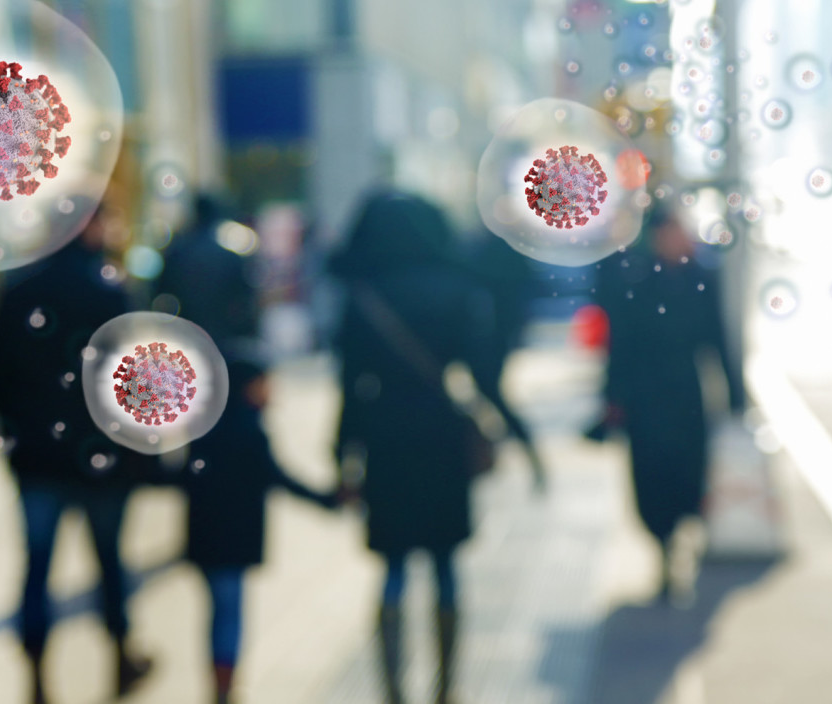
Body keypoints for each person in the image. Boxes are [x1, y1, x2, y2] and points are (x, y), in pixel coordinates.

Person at [156, 195, 337, 704]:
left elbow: (158, 308)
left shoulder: (178, 252)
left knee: (204, 458)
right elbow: (249, 312)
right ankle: (226, 685)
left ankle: (217, 682)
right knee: (230, 599)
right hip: (224, 370)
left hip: (194, 374)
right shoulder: (233, 253)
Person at [331, 190, 495, 704]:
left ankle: (393, 689)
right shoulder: (455, 289)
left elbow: (350, 388)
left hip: (385, 443)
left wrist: (342, 455)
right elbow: (484, 371)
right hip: (442, 439)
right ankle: (447, 688)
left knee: (394, 566)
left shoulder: (362, 297)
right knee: (446, 566)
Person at [0, 203, 153, 704]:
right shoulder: (112, 291)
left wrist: (15, 439)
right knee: (110, 560)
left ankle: (36, 679)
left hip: (37, 458)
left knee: (36, 568)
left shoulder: (17, 289)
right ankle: (122, 653)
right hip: (101, 456)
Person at [594, 203, 745, 606]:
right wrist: (610, 399)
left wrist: (736, 396)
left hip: (687, 397)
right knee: (650, 479)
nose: (682, 239)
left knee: (689, 472)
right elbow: (619, 346)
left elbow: (718, 339)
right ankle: (663, 551)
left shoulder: (700, 277)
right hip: (644, 400)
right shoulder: (634, 278)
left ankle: (682, 539)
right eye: (674, 231)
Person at [465, 234, 548, 492]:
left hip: (488, 337)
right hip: (498, 337)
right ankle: (524, 451)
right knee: (490, 394)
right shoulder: (509, 251)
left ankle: (517, 450)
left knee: (491, 394)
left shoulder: (482, 252)